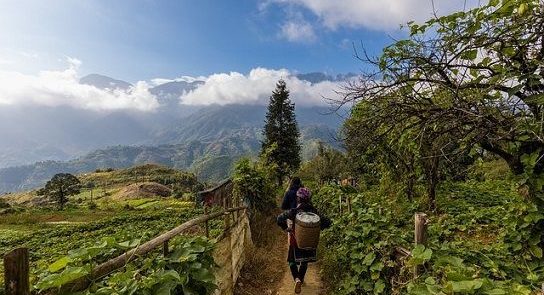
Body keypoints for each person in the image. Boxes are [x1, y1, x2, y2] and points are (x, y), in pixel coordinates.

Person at [277, 187, 331, 294]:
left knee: (292, 261)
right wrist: (317, 228)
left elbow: (279, 219)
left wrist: (285, 228)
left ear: (298, 199)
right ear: (309, 198)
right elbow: (327, 222)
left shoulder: (294, 211)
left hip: (295, 240)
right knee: (304, 262)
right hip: (310, 242)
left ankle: (297, 279)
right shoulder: (315, 212)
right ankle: (301, 279)